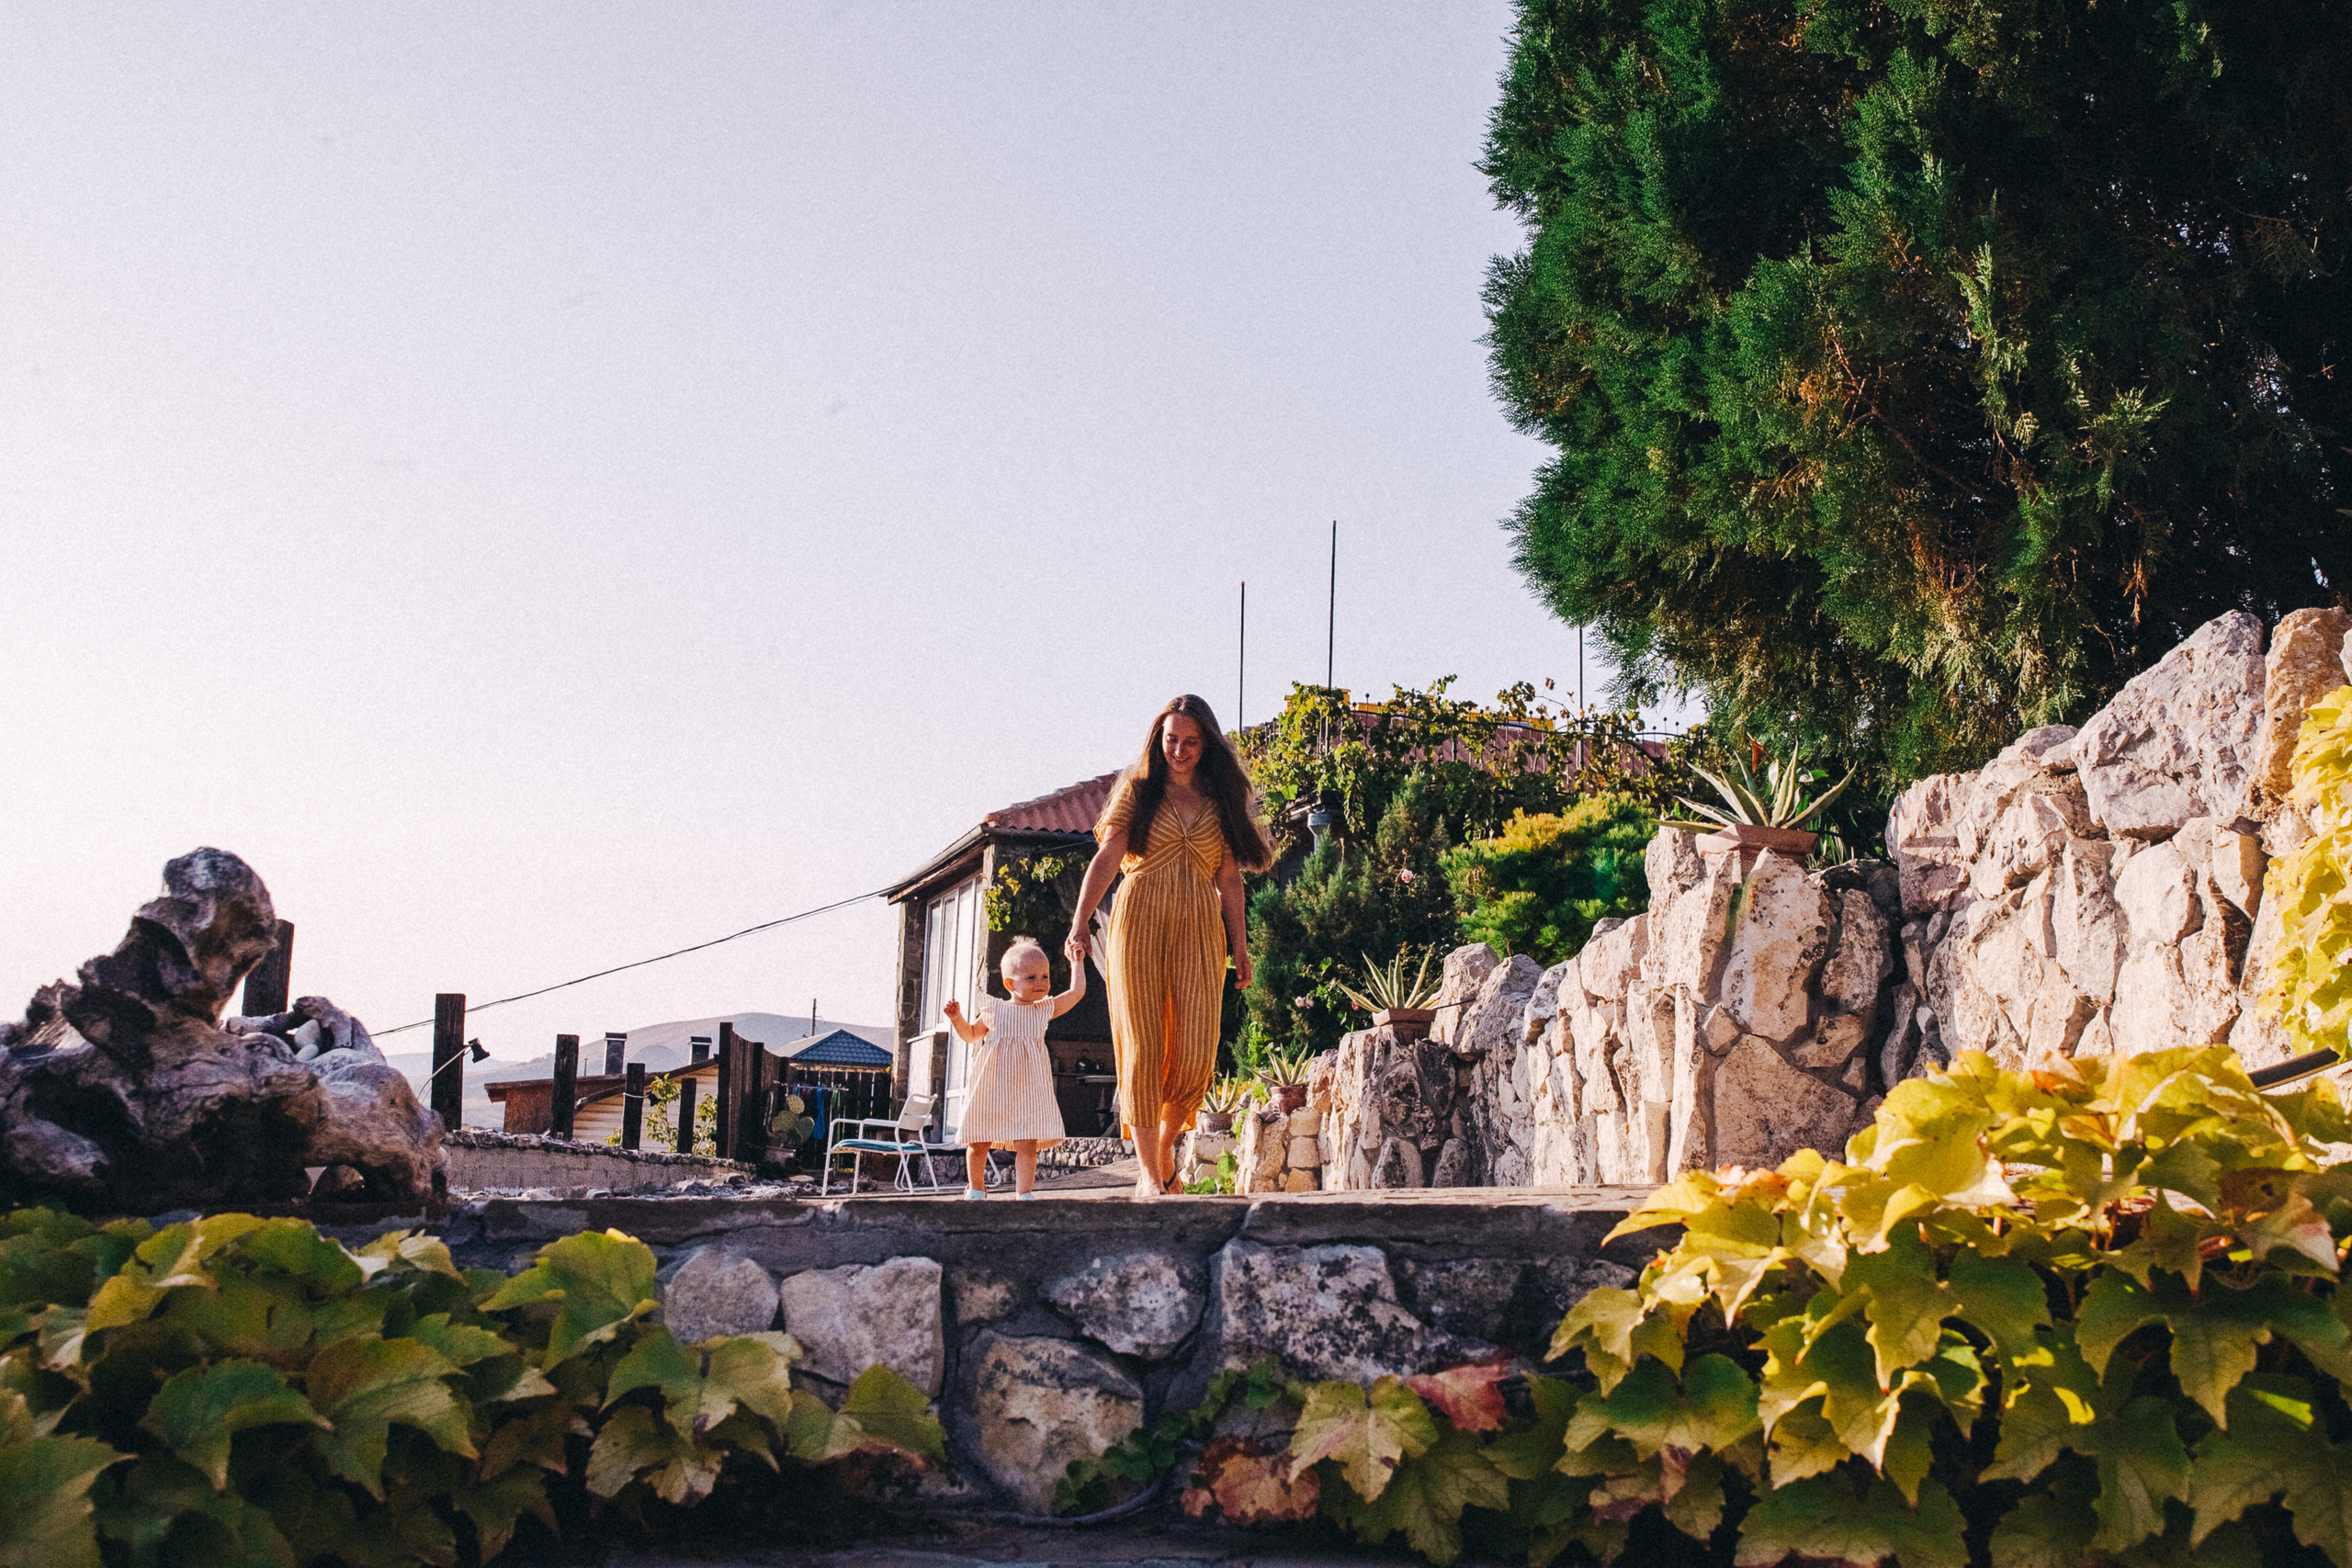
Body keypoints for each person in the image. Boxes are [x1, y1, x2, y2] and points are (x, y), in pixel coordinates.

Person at [1066, 694, 1274, 1197]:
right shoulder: (1138, 792)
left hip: (1199, 930)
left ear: (1207, 746)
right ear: (1158, 740)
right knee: (1141, 1046)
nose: (1179, 749)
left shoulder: (1218, 802)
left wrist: (1240, 948)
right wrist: (1079, 924)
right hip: (1137, 922)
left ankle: (1161, 1152)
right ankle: (1149, 1175)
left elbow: (1229, 879)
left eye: (1191, 741)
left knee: (1195, 1053)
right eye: (1171, 739)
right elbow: (1108, 857)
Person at [941, 936, 1080, 1200]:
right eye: (1031, 978)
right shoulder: (995, 1010)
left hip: (1027, 1090)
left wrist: (1077, 963)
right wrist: (957, 1018)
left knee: (1028, 1142)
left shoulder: (1042, 1010)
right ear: (1009, 983)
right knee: (978, 1138)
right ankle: (976, 1188)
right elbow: (971, 1035)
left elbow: (1076, 994)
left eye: (1045, 976)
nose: (1041, 982)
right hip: (992, 1086)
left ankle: (1024, 1193)